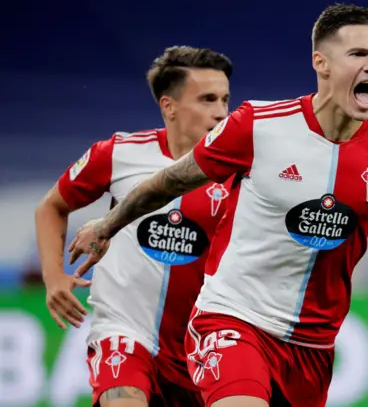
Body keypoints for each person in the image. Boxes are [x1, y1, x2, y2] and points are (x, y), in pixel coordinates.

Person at [68, 4, 368, 407]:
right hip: (234, 320)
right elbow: (171, 179)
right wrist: (107, 225)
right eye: (358, 54)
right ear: (321, 63)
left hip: (313, 348)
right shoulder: (258, 125)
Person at [35, 46, 234, 407]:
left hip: (202, 347)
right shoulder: (119, 153)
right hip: (125, 335)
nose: (221, 112)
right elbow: (52, 206)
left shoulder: (241, 172)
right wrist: (53, 276)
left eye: (224, 99)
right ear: (168, 106)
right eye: (207, 99)